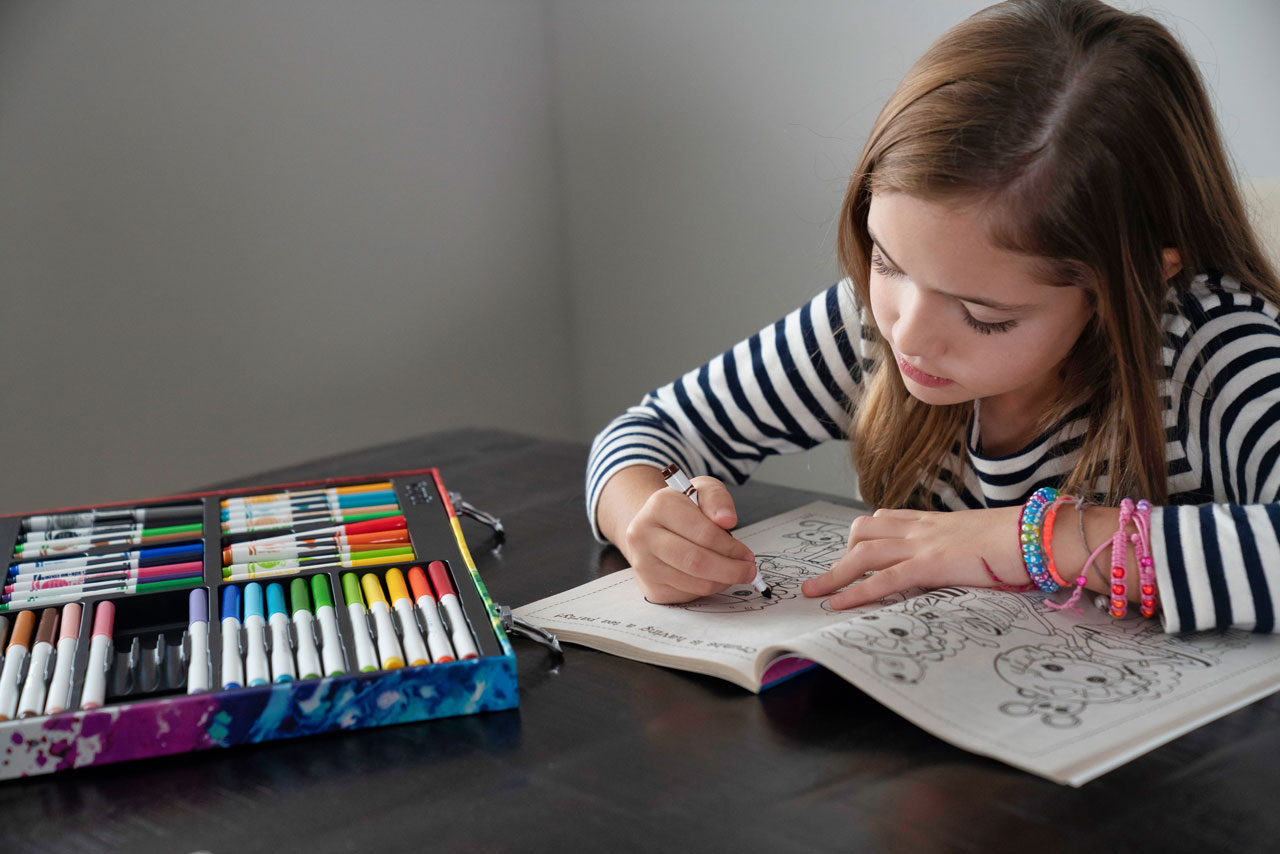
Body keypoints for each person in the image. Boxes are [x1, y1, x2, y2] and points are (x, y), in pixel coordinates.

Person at [585, 0, 1280, 634]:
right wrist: (643, 519)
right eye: (887, 261)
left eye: (984, 314)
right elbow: (654, 429)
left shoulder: (1215, 354)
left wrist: (1029, 540)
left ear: (1133, 285)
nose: (907, 333)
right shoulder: (874, 321)